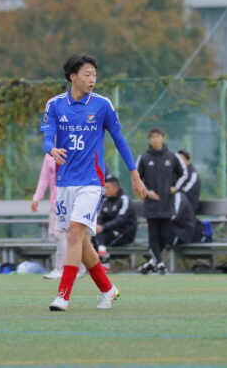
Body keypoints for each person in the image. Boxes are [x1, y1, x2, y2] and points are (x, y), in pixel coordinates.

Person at [40, 53, 147, 311]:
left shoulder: (102, 105)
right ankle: (107, 289)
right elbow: (47, 138)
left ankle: (63, 296)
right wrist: (51, 149)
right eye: (87, 74)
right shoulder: (55, 105)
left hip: (91, 181)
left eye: (94, 75)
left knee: (75, 233)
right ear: (72, 76)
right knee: (81, 240)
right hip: (64, 183)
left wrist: (135, 174)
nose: (92, 79)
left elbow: (120, 140)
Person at [136, 127, 188, 275]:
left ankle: (152, 263)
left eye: (157, 136)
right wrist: (147, 191)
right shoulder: (144, 158)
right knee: (153, 235)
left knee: (164, 236)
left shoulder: (172, 156)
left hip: (167, 203)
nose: (155, 139)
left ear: (163, 138)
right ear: (149, 140)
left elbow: (184, 174)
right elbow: (137, 177)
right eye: (152, 137)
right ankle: (160, 265)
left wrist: (175, 187)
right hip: (151, 205)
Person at [31, 154, 86, 279]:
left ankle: (61, 269)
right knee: (59, 235)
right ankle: (79, 267)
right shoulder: (49, 155)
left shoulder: (74, 150)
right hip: (55, 202)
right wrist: (37, 197)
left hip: (72, 200)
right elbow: (44, 178)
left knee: (63, 234)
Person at [95, 176, 138, 271]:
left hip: (124, 234)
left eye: (107, 188)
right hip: (107, 232)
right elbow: (99, 217)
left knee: (99, 233)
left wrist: (103, 227)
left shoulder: (124, 199)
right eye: (104, 188)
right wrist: (99, 226)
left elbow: (121, 219)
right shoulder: (105, 200)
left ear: (116, 187)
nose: (105, 190)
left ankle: (104, 259)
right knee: (90, 235)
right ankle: (103, 259)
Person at [177, 149, 201, 214]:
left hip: (189, 209)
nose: (179, 162)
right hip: (177, 207)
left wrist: (173, 191)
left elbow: (186, 191)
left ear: (188, 161)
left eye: (182, 159)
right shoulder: (178, 173)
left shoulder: (193, 174)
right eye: (178, 160)